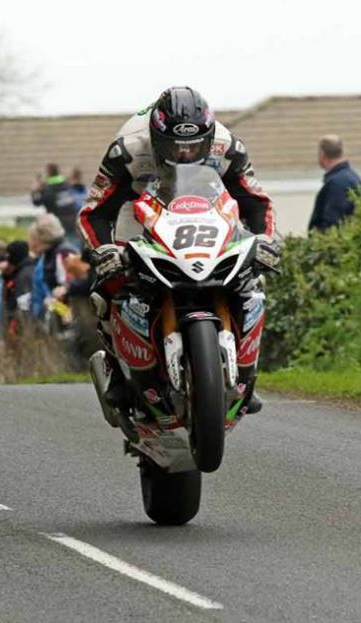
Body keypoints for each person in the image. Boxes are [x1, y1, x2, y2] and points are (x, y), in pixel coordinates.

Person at [77, 86, 280, 415]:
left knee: (252, 279)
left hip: (206, 217)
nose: (185, 153)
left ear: (209, 135)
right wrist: (105, 251)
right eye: (174, 146)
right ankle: (117, 370)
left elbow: (256, 202)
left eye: (194, 145)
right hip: (138, 213)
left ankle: (246, 373)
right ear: (156, 137)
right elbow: (95, 212)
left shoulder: (228, 148)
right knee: (108, 287)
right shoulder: (128, 150)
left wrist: (264, 240)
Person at [308, 135, 361, 233]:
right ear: (341, 152)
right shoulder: (353, 178)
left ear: (322, 154)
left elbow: (332, 223)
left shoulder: (336, 184)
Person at [31, 163, 80, 246]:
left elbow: (37, 202)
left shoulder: (47, 189)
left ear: (48, 173)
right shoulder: (66, 184)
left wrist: (34, 191)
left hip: (58, 223)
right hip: (73, 220)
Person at [1, 240, 35, 335]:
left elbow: (24, 305)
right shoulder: (21, 272)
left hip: (21, 328)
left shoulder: (24, 276)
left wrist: (14, 327)